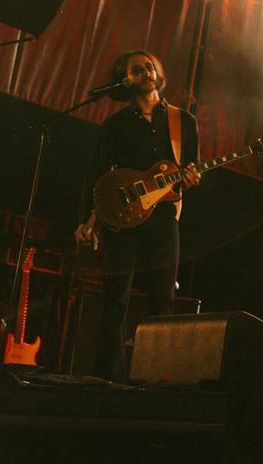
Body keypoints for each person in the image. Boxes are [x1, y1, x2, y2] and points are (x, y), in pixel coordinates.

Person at [75, 50, 199, 381]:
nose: (145, 71)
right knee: (116, 299)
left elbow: (190, 169)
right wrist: (86, 219)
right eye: (136, 69)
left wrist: (191, 178)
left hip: (162, 220)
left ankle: (157, 377)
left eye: (149, 66)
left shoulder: (183, 121)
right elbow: (97, 174)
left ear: (158, 72)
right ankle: (106, 377)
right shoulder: (115, 125)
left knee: (163, 301)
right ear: (126, 80)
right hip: (123, 219)